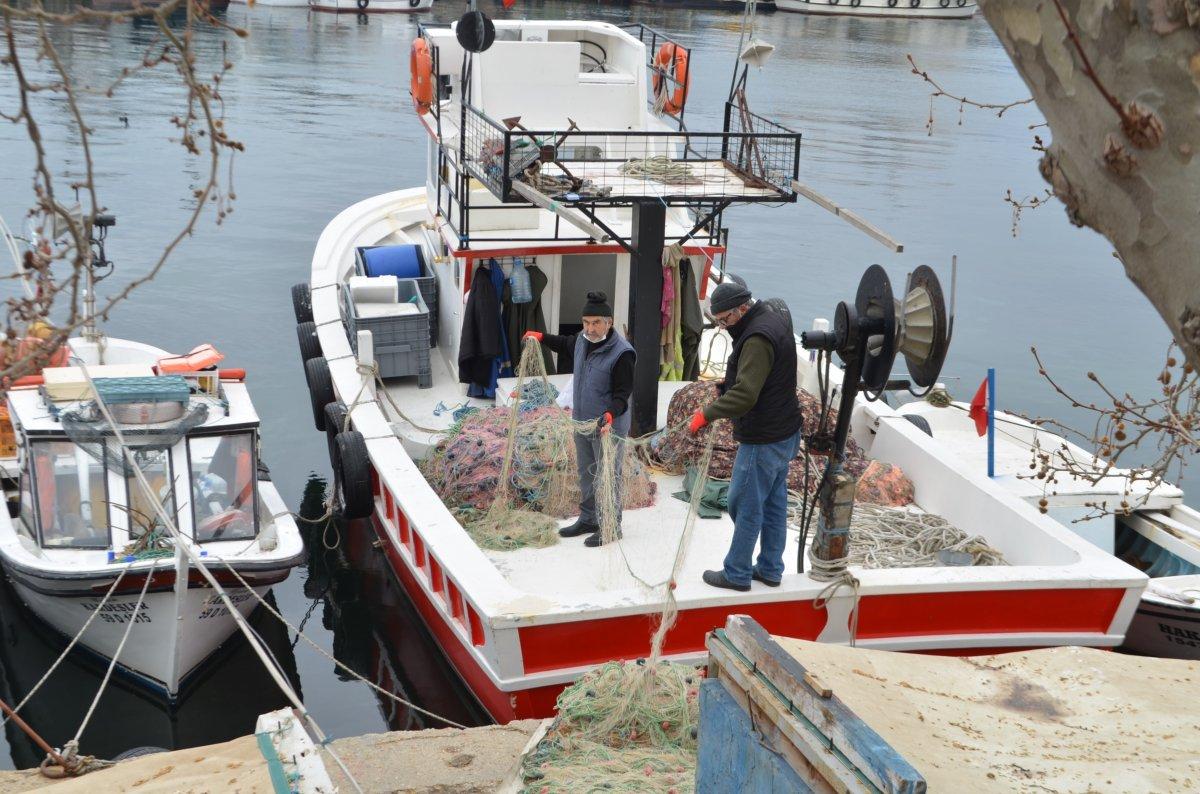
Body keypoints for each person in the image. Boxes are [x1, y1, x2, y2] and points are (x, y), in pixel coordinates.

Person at [689, 281, 802, 591]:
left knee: (744, 503)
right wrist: (731, 382)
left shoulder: (755, 337)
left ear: (741, 309)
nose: (723, 327)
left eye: (725, 320)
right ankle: (769, 568)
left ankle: (737, 572)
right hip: (786, 432)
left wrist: (705, 414)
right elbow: (764, 376)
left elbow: (747, 396)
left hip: (764, 438)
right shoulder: (771, 317)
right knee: (775, 504)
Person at [523, 291, 634, 548]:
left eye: (596, 322)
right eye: (586, 322)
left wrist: (609, 415)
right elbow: (563, 343)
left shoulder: (622, 353)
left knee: (608, 476)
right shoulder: (582, 341)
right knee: (586, 472)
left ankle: (610, 526)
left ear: (609, 322)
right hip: (582, 421)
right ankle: (588, 519)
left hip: (609, 425)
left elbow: (622, 393)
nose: (590, 328)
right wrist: (540, 337)